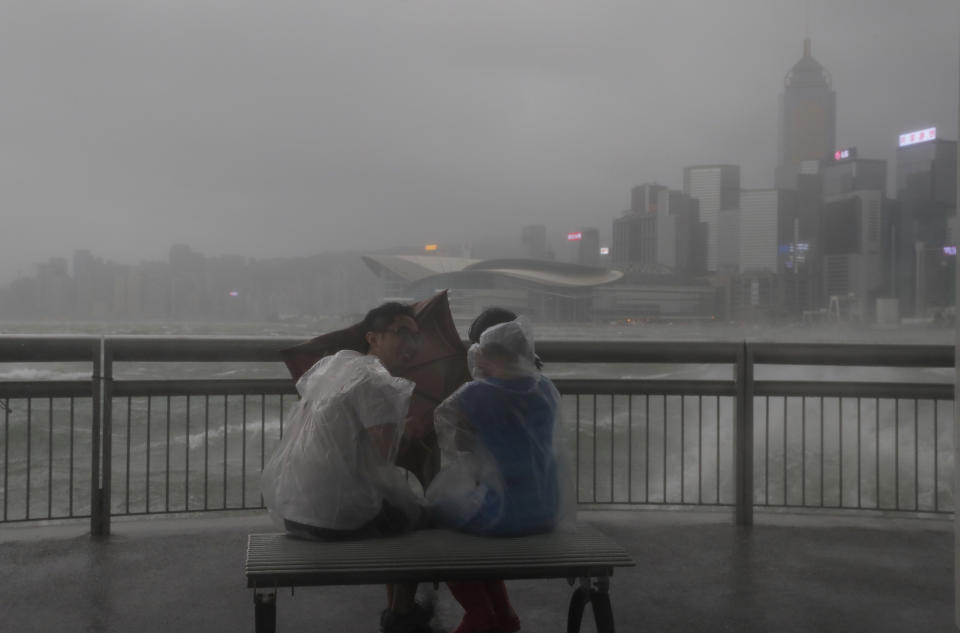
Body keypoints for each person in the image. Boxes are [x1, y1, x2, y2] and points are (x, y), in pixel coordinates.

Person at [261, 302, 435, 633]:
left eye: (415, 335)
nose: (411, 343)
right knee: (425, 519)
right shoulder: (375, 381)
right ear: (373, 337)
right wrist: (407, 429)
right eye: (401, 333)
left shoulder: (337, 366)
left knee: (401, 512)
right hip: (333, 518)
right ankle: (402, 614)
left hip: (293, 511)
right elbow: (388, 454)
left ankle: (400, 608)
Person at [426, 312, 569, 633]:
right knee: (472, 521)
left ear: (487, 353)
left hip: (506, 514)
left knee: (435, 515)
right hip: (547, 510)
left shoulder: (477, 394)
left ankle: (479, 611)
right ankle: (503, 614)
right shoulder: (545, 387)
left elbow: (449, 436)